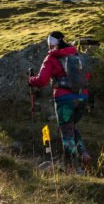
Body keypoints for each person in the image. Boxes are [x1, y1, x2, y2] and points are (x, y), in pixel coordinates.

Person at [29, 31, 92, 173]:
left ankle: (70, 167)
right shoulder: (77, 55)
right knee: (71, 126)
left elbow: (42, 80)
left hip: (64, 100)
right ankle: (84, 154)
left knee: (67, 133)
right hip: (82, 98)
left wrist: (30, 80)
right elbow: (87, 76)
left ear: (50, 44)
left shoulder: (51, 57)